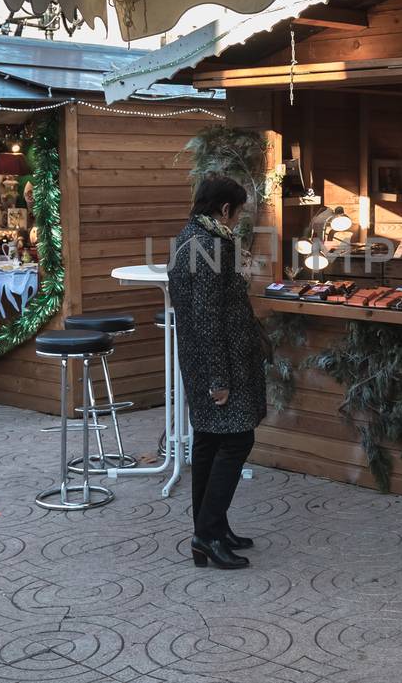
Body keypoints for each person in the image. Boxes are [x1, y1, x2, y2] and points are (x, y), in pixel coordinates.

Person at [167, 176, 267, 571]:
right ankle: (206, 535)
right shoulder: (211, 245)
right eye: (238, 211)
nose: (238, 219)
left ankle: (212, 528)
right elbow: (209, 315)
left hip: (199, 357)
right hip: (221, 361)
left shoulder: (185, 237)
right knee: (237, 439)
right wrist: (219, 380)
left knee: (209, 439)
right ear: (224, 209)